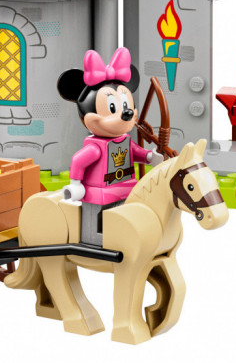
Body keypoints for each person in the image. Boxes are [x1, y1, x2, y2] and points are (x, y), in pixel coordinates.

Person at [58, 47, 163, 245]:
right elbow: (78, 161)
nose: (125, 114)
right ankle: (93, 240)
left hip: (126, 187)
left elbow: (135, 152)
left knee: (127, 212)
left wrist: (149, 157)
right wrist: (76, 184)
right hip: (99, 192)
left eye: (126, 106)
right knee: (96, 219)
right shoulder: (96, 146)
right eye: (112, 108)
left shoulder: (124, 140)